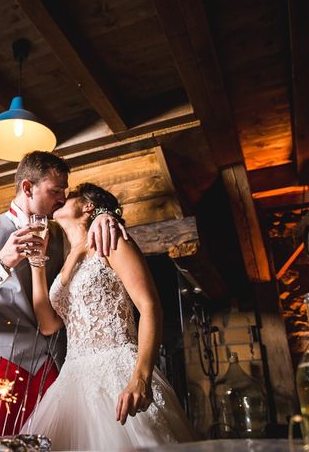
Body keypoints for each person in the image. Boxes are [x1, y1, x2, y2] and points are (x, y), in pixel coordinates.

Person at [0, 152, 125, 437]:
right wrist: (1, 262)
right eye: (55, 191)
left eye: (65, 191)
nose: (62, 198)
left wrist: (104, 217)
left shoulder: (64, 232)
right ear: (28, 188)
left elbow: (92, 222)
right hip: (0, 368)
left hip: (55, 370)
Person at [22, 183, 195, 450]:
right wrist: (37, 264)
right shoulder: (69, 260)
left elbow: (151, 308)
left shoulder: (112, 240)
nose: (61, 198)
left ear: (88, 206)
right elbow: (48, 325)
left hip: (117, 369)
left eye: (70, 196)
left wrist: (141, 377)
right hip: (72, 380)